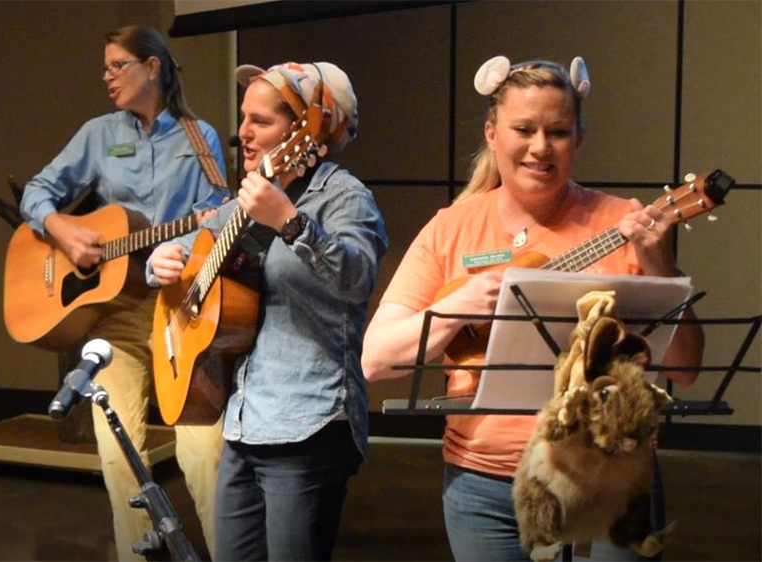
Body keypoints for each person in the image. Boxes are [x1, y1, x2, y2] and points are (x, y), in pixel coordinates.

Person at [361, 55, 704, 561]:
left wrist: (660, 267)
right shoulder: (450, 228)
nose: (541, 147)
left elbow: (687, 369)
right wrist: (457, 309)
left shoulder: (625, 221)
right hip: (483, 485)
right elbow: (374, 359)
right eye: (524, 128)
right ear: (493, 133)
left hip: (607, 475)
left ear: (578, 140)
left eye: (559, 132)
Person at [148, 61, 388, 561]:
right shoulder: (242, 204)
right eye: (243, 118)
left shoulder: (345, 198)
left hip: (310, 424)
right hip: (243, 420)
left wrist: (290, 222)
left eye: (261, 121)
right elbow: (194, 246)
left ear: (304, 131)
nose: (244, 134)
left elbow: (358, 279)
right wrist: (159, 262)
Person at [19, 25, 229, 561]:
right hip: (118, 312)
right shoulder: (98, 134)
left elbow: (220, 220)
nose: (107, 76)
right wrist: (62, 229)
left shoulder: (199, 137)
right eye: (106, 67)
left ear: (152, 67)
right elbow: (39, 192)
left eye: (118, 65)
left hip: (182, 306)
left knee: (205, 455)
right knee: (118, 456)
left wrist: (183, 246)